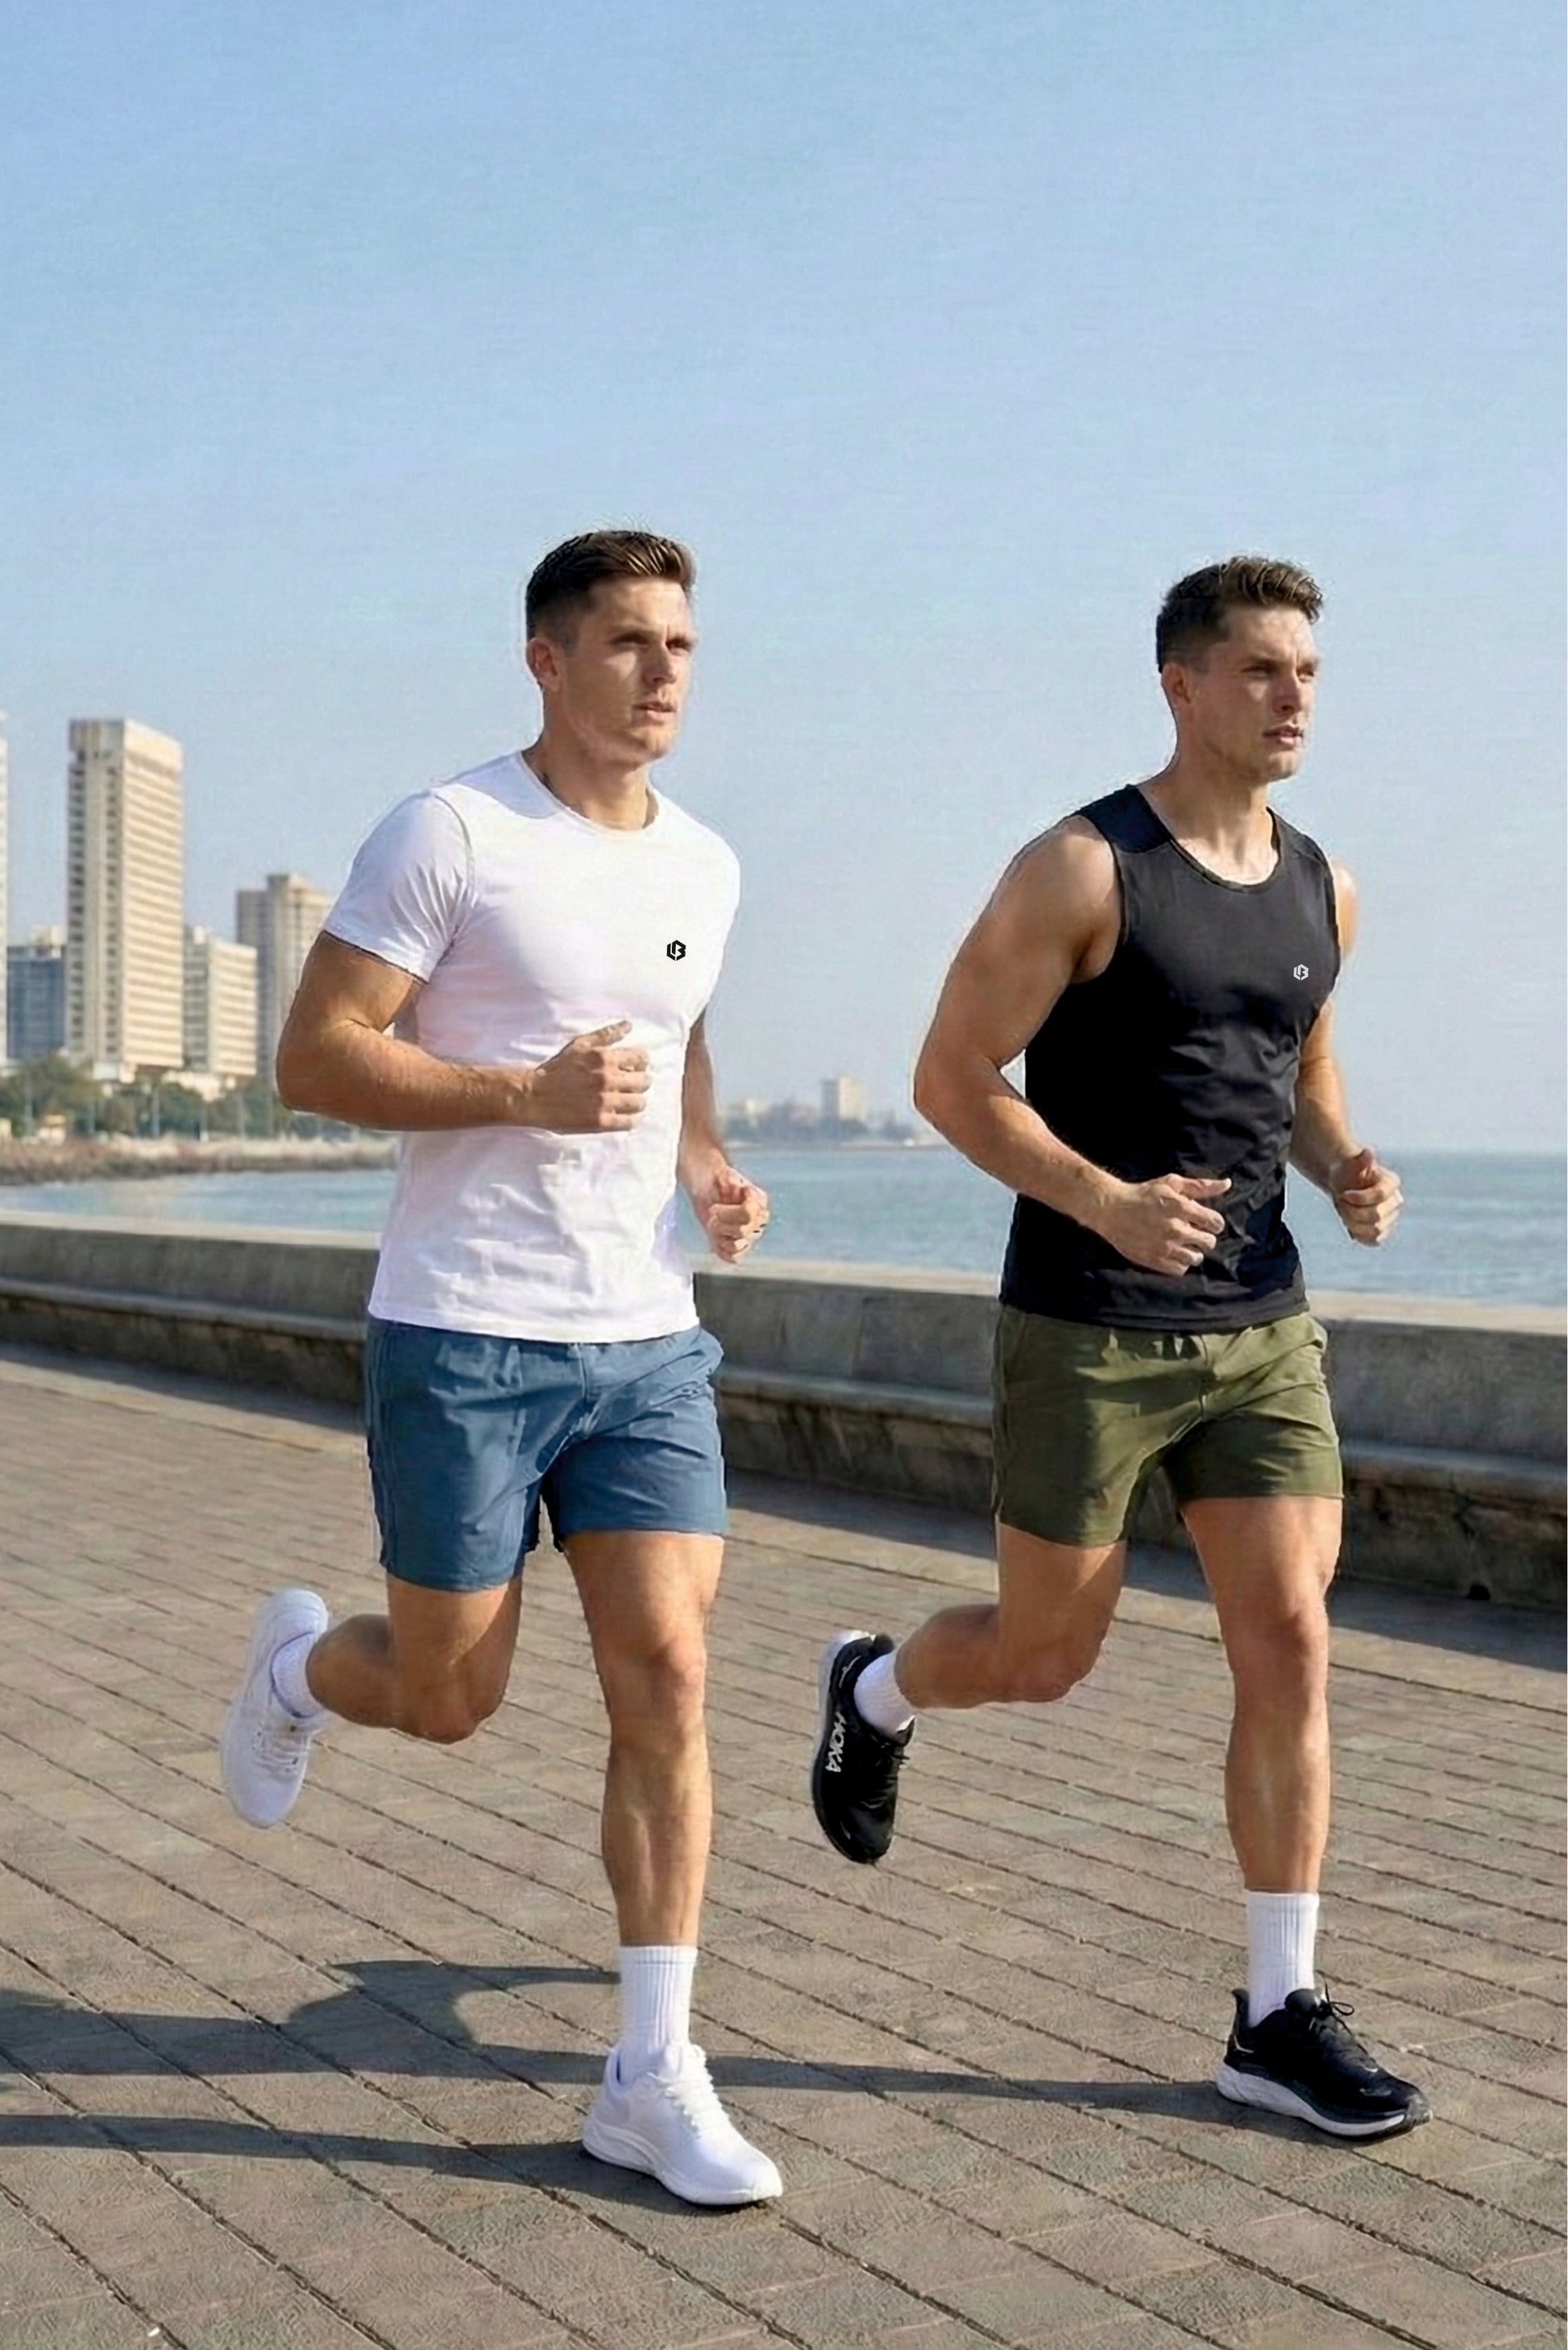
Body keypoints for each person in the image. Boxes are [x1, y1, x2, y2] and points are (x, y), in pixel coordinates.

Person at [811, 555, 1430, 2141]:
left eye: (1308, 671)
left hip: (1260, 1332)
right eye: (1262, 670)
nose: (1293, 697)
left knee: (1288, 1642)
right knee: (1042, 1656)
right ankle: (875, 1690)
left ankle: (1275, 2013)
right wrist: (1103, 1200)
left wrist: (1343, 1165)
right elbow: (950, 1077)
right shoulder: (1082, 868)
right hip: (1087, 1331)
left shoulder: (1323, 886)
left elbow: (1298, 1072)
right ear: (1182, 684)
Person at [221, 529, 782, 2206]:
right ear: (547, 659)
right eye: (627, 642)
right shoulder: (450, 831)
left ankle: (650, 2074)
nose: (664, 672)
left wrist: (705, 1164)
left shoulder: (706, 863)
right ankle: (299, 1673)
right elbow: (313, 1058)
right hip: (463, 1330)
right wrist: (520, 1098)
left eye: (681, 644)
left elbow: (679, 1036)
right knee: (449, 1698)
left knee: (667, 1673)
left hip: (644, 1341)